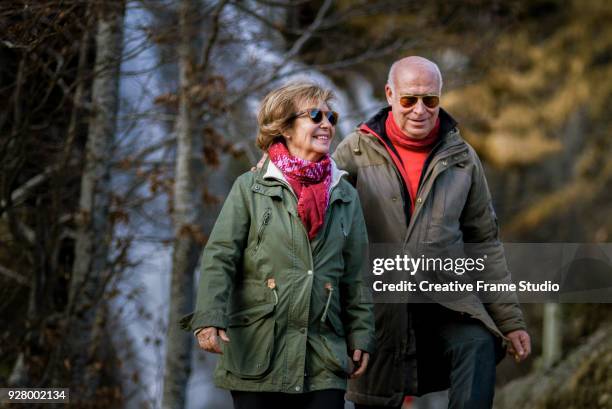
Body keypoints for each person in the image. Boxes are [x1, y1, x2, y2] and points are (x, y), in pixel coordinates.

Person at [333, 56, 531, 409]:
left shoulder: (462, 158)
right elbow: (324, 220)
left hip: (445, 301)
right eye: (409, 99)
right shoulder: (353, 151)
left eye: (431, 100)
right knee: (376, 397)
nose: (420, 110)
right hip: (380, 306)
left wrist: (510, 320)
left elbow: (484, 244)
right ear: (390, 95)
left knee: (479, 342)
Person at [181, 82, 376, 409]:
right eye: (315, 115)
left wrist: (362, 336)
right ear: (284, 127)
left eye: (331, 116)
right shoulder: (249, 187)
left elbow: (356, 275)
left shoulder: (345, 194)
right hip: (258, 350)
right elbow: (220, 256)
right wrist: (209, 317)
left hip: (324, 353)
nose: (326, 123)